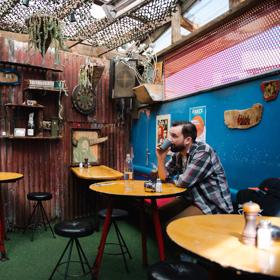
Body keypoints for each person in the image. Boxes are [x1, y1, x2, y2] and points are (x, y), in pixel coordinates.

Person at [156, 121, 233, 221]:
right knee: (159, 215)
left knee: (172, 226)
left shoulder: (203, 151)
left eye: (174, 136)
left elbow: (183, 182)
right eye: (169, 135)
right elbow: (163, 177)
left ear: (187, 140)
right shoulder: (178, 155)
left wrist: (169, 178)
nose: (169, 140)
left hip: (213, 206)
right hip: (190, 199)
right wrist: (161, 158)